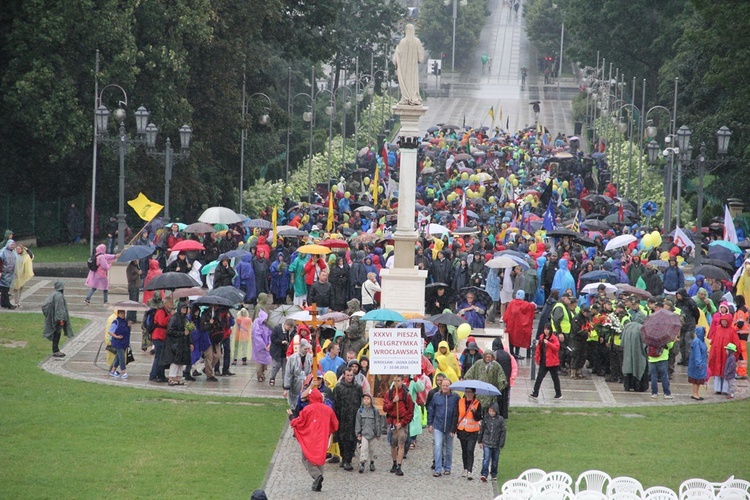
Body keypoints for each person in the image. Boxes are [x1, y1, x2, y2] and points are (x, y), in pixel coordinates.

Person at [288, 388, 338, 493]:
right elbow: (335, 424)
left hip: (310, 438)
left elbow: (299, 422)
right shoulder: (328, 409)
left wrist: (292, 417)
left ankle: (317, 476)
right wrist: (329, 430)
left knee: (306, 458)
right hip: (323, 437)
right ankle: (318, 481)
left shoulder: (307, 409)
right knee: (320, 458)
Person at [382, 376, 414, 477]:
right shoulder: (389, 394)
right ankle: (394, 462)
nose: (396, 383)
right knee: (392, 444)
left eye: (398, 381)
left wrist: (403, 423)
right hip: (392, 422)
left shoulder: (406, 395)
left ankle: (399, 466)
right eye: (395, 381)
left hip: (402, 423)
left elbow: (410, 412)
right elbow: (385, 408)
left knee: (401, 444)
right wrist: (393, 402)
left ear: (402, 382)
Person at [332, 367, 363, 471]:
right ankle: (344, 457)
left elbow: (360, 402)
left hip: (354, 417)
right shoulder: (339, 388)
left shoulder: (357, 388)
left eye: (351, 375)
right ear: (344, 375)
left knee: (352, 440)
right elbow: (335, 403)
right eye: (348, 375)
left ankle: (348, 460)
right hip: (342, 417)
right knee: (342, 439)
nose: (349, 377)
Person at [427, 377, 459, 477]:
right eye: (443, 385)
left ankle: (447, 467)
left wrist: (455, 427)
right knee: (438, 446)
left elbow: (457, 413)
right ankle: (438, 468)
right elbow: (431, 410)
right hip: (438, 425)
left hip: (450, 426)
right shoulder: (436, 396)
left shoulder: (455, 397)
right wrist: (430, 423)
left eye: (447, 386)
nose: (445, 387)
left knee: (449, 448)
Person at [391, 23, 425, 106]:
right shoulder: (417, 41)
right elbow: (421, 59)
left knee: (405, 83)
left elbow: (396, 57)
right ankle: (413, 97)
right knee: (412, 83)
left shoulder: (402, 42)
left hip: (404, 70)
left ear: (405, 31)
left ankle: (406, 97)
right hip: (413, 70)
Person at [530, 324, 562, 400]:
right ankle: (535, 393)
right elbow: (539, 349)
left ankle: (558, 393)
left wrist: (548, 343)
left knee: (555, 378)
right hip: (544, 362)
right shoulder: (541, 337)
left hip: (552, 362)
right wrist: (537, 358)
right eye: (545, 329)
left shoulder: (554, 338)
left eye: (548, 329)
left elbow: (556, 348)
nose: (546, 331)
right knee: (539, 378)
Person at [41, 281, 73, 357]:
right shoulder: (58, 296)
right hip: (57, 319)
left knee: (56, 333)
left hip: (54, 317)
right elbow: (59, 309)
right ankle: (56, 350)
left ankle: (55, 349)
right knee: (57, 333)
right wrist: (61, 320)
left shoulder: (54, 294)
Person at [457, 387, 483, 481]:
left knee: (470, 450)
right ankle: (465, 468)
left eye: (470, 392)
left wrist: (474, 411)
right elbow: (457, 414)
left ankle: (470, 470)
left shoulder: (477, 403)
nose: (468, 394)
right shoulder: (460, 402)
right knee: (464, 450)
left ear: (473, 393)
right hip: (462, 430)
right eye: (466, 392)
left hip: (472, 431)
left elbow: (479, 417)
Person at [478, 401, 506, 483]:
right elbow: (482, 430)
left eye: (493, 411)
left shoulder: (500, 420)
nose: (491, 413)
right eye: (490, 411)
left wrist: (501, 443)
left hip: (496, 443)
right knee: (486, 458)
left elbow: (503, 432)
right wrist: (480, 440)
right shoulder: (486, 419)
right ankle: (484, 473)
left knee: (495, 459)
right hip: (486, 442)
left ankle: (494, 473)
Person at [503, 289, 536, 359]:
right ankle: (517, 353)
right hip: (520, 327)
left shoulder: (511, 303)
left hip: (511, 326)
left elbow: (505, 316)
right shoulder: (525, 304)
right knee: (518, 340)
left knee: (511, 339)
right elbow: (532, 307)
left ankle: (511, 352)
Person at [355, 393, 381, 473]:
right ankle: (362, 463)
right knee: (363, 449)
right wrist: (358, 433)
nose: (366, 400)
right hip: (364, 433)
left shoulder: (375, 410)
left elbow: (377, 422)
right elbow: (358, 422)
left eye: (368, 399)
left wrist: (378, 433)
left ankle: (372, 462)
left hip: (373, 433)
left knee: (373, 449)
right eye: (364, 399)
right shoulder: (360, 411)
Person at [149, 296, 172, 383]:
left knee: (162, 358)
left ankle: (161, 375)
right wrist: (170, 316)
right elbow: (162, 322)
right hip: (158, 337)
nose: (171, 304)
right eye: (170, 302)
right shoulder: (161, 311)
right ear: (165, 303)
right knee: (158, 357)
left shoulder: (166, 311)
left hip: (163, 337)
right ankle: (153, 375)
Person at [284, 339, 313, 408]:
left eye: (308, 349)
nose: (306, 351)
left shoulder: (310, 357)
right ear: (300, 348)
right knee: (294, 402)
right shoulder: (292, 358)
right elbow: (288, 373)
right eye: (305, 349)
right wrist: (286, 388)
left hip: (306, 384)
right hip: (295, 384)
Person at [269, 319, 295, 386]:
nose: (289, 329)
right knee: (276, 366)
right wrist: (281, 342)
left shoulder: (291, 331)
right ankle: (272, 377)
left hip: (285, 351)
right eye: (289, 327)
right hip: (277, 351)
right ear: (286, 325)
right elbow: (273, 339)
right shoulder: (277, 329)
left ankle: (284, 382)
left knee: (285, 367)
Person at [108, 309, 131, 379]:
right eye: (121, 313)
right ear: (118, 314)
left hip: (124, 342)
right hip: (118, 342)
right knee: (121, 357)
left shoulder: (126, 321)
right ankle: (123, 371)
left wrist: (129, 326)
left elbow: (128, 331)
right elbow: (110, 331)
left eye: (124, 313)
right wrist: (116, 336)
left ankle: (113, 370)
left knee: (118, 357)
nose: (123, 315)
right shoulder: (116, 322)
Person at [252, 309, 273, 382]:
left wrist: (269, 344)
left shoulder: (268, 324)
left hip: (267, 346)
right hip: (259, 347)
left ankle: (263, 373)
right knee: (259, 363)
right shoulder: (257, 323)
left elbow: (271, 334)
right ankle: (259, 375)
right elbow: (256, 336)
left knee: (265, 362)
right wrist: (264, 346)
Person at [11, 243, 34, 308]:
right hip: (16, 275)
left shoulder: (25, 256)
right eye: (17, 249)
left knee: (21, 288)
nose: (18, 250)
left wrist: (27, 250)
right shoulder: (15, 255)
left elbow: (31, 257)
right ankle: (16, 302)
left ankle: (18, 302)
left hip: (22, 275)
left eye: (19, 249)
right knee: (16, 289)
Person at [688, 326, 708, 401]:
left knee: (698, 380)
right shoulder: (697, 342)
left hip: (701, 363)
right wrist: (698, 363)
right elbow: (697, 354)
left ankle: (696, 393)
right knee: (695, 380)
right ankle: (695, 394)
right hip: (697, 365)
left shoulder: (701, 341)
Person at [0, 240, 17, 309]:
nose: (13, 246)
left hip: (10, 274)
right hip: (4, 273)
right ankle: (6, 303)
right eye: (11, 245)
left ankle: (3, 303)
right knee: (4, 289)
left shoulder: (13, 252)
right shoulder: (3, 252)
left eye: (14, 245)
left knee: (6, 289)